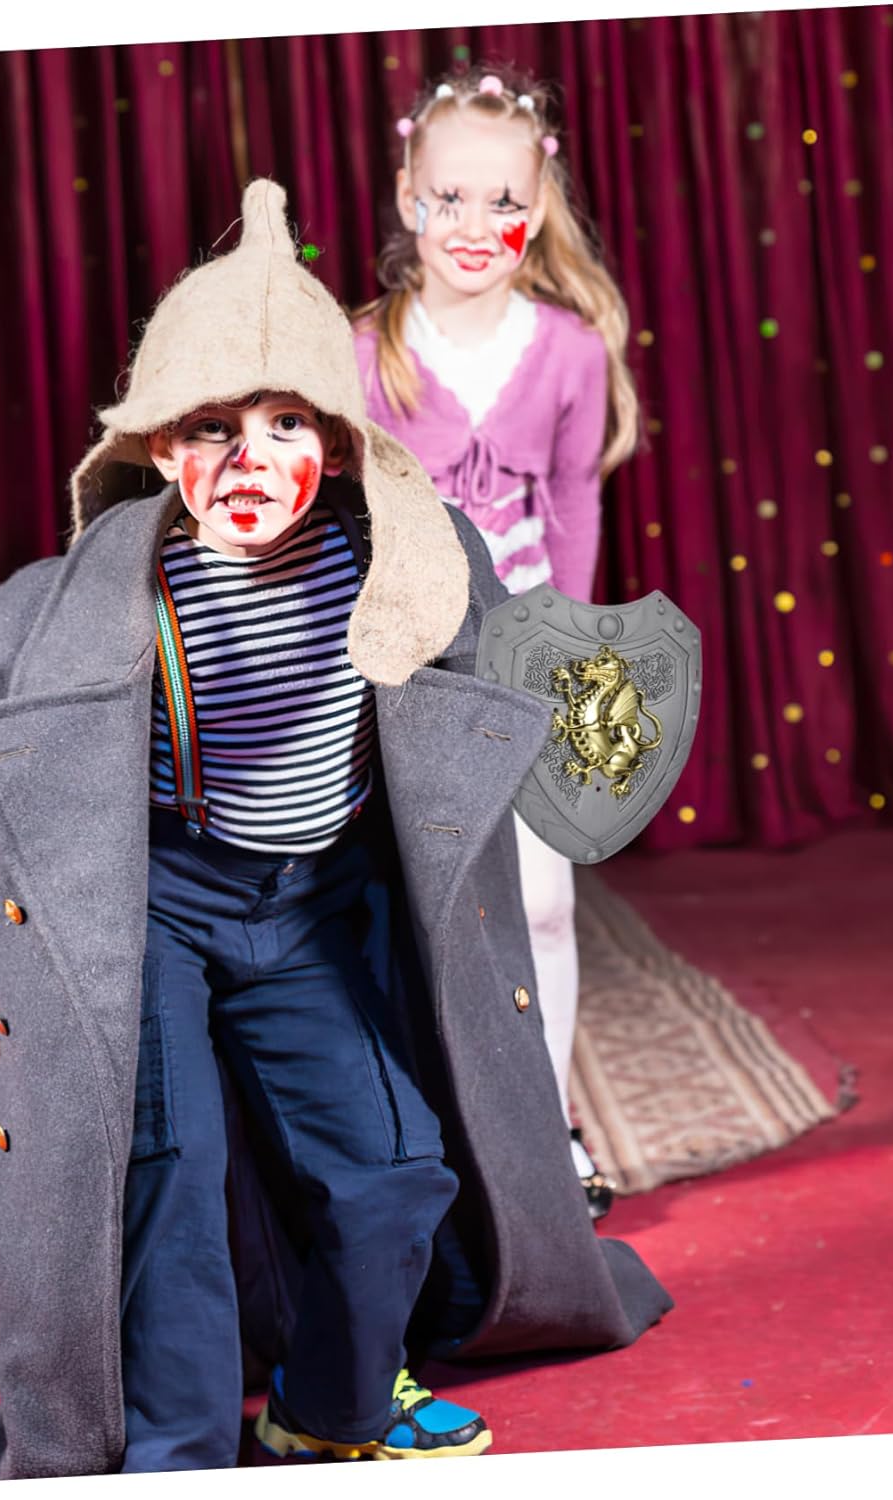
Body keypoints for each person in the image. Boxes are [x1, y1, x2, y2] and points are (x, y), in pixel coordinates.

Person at [0, 178, 670, 1485]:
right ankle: (175, 1456)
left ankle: (329, 1407)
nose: (247, 460)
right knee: (164, 1177)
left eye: (285, 424)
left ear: (338, 443)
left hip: (313, 909)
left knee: (392, 1170)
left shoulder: (409, 563)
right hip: (156, 907)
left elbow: (518, 678)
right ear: (161, 445)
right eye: (212, 428)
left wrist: (599, 710)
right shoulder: (78, 601)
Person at [354, 66, 639, 1217]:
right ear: (409, 197)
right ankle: (427, 1137)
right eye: (451, 197)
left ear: (539, 206)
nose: (477, 226)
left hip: (525, 667)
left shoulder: (569, 351)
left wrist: (570, 662)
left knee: (543, 904)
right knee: (416, 917)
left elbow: (573, 507)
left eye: (505, 202)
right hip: (407, 672)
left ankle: (548, 1127)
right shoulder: (363, 351)